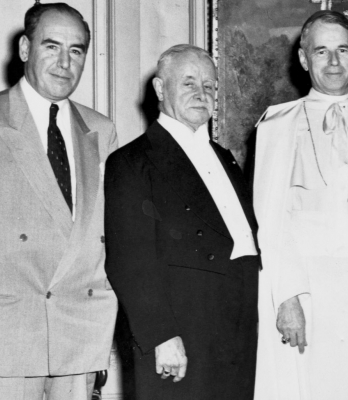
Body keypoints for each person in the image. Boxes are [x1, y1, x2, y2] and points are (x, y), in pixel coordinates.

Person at [0, 3, 118, 399]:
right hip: (0, 336)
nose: (64, 62)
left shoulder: (100, 130)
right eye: (51, 46)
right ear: (24, 49)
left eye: (76, 50)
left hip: (78, 336)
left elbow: (106, 237)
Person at [252, 11, 348, 400]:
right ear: (304, 59)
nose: (334, 62)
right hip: (309, 289)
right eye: (322, 51)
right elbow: (269, 221)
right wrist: (286, 297)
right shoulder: (278, 125)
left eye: (342, 50)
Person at [104, 44, 258, 399]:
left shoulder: (225, 158)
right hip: (181, 332)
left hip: (236, 329)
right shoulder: (132, 162)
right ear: (160, 89)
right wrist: (161, 335)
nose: (201, 93)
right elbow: (129, 261)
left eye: (209, 85)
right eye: (189, 83)